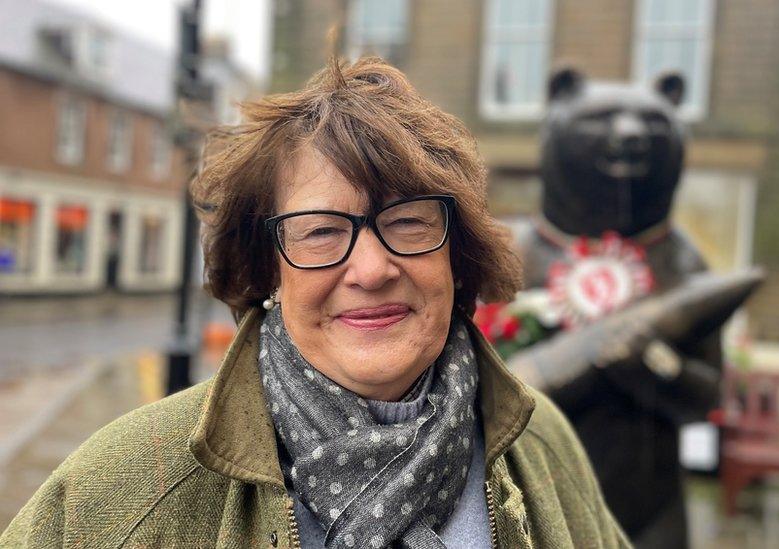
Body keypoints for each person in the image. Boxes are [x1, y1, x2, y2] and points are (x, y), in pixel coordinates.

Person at [0, 58, 629, 548]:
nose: (374, 268)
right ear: (267, 267)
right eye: (322, 231)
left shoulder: (543, 444)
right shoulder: (119, 490)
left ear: (456, 256)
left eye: (409, 223)